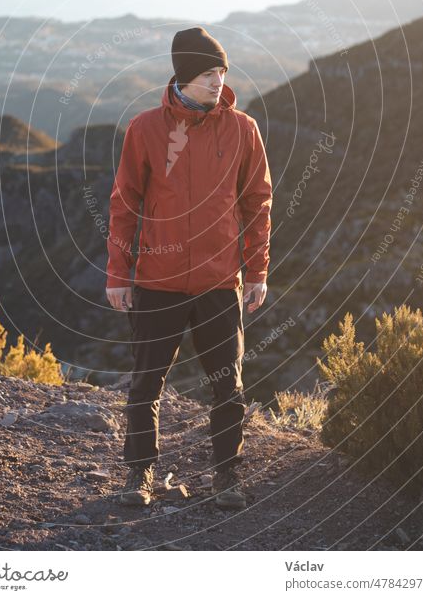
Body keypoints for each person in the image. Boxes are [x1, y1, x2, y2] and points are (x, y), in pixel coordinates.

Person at [106, 26, 273, 509]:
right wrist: (119, 274)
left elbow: (258, 204)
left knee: (228, 384)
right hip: (157, 283)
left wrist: (257, 271)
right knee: (146, 382)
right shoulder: (145, 129)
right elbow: (124, 206)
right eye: (207, 73)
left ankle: (227, 477)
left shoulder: (243, 129)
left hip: (219, 283)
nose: (218, 81)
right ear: (183, 76)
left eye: (222, 71)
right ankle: (138, 476)